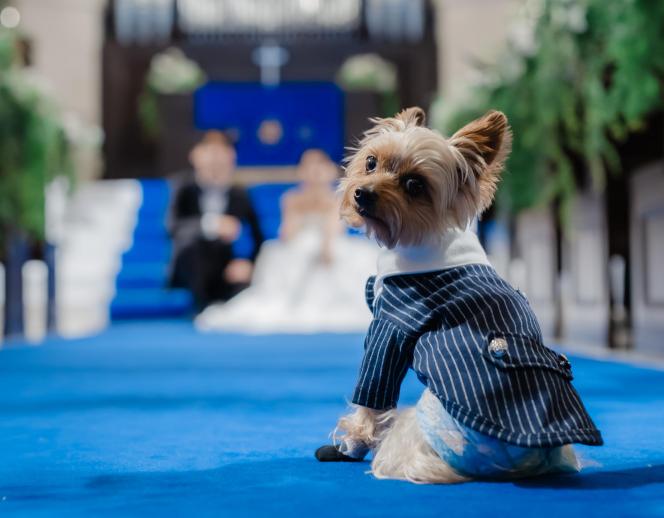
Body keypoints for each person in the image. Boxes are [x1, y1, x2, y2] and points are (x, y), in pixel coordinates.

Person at [195, 150, 380, 333]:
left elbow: (334, 231)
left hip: (327, 246)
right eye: (309, 166)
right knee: (285, 251)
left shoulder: (336, 198)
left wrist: (325, 245)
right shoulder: (291, 199)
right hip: (298, 247)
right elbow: (288, 234)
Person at [168, 131, 264, 310]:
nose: (215, 162)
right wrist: (211, 224)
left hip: (226, 268)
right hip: (193, 267)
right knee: (191, 247)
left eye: (221, 155)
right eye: (210, 154)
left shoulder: (240, 194)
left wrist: (248, 262)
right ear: (196, 156)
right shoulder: (183, 188)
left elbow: (258, 237)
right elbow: (172, 227)